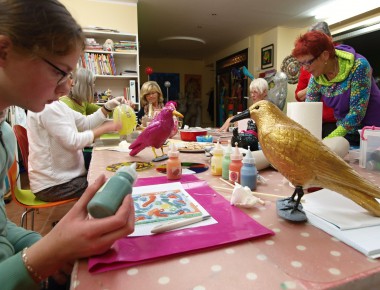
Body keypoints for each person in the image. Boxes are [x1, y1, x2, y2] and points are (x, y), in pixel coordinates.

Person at [0, 1, 134, 289]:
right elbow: (77, 137)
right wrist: (45, 255)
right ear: (3, 51)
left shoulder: (6, 132)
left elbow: (1, 229)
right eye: (60, 71)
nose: (66, 84)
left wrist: (44, 249)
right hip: (54, 183)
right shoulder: (47, 109)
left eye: (70, 75)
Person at [27, 72, 125, 202]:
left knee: (109, 178)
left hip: (62, 180)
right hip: (55, 186)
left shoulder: (57, 105)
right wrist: (105, 128)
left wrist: (107, 107)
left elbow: (86, 123)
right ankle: (93, 221)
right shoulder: (48, 107)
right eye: (70, 77)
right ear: (57, 79)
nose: (72, 82)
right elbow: (73, 141)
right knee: (112, 186)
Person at [292, 30, 380, 146]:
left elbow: (357, 112)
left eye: (308, 62)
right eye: (301, 64)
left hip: (371, 130)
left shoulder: (358, 66)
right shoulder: (317, 78)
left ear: (325, 55)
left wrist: (327, 140)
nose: (305, 69)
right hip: (345, 130)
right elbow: (310, 110)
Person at [295, 21, 337, 138]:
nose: (306, 67)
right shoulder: (308, 68)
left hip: (339, 122)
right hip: (318, 121)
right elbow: (299, 95)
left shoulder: (346, 62)